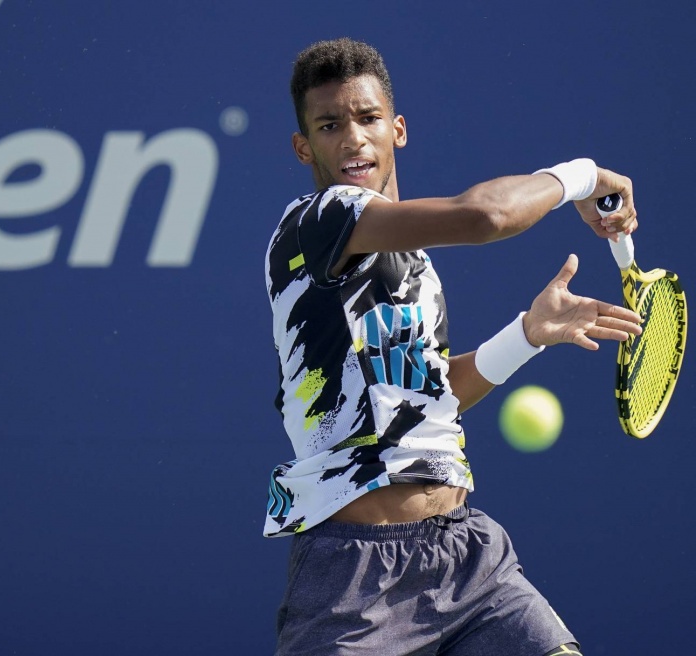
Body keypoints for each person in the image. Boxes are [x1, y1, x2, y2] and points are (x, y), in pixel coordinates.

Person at [264, 38, 642, 656]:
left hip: (468, 559)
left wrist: (527, 334)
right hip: (355, 583)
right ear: (304, 146)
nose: (353, 138)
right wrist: (581, 176)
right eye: (329, 125)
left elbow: (429, 396)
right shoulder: (319, 219)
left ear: (398, 128)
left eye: (368, 118)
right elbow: (485, 216)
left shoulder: (413, 264)